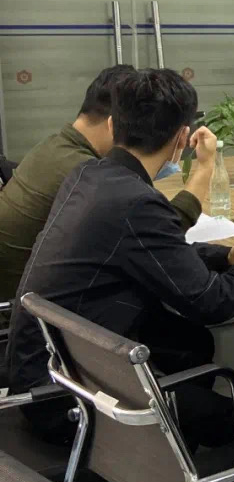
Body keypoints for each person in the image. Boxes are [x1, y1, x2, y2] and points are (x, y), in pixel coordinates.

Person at [6, 68, 234, 448]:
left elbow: (154, 250)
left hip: (44, 368)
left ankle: (176, 448)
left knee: (188, 342)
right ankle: (175, 466)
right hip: (72, 399)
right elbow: (212, 301)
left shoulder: (88, 175)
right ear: (181, 139)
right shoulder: (136, 201)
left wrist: (225, 256)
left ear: (113, 124)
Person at [0, 65, 216, 304]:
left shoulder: (55, 145)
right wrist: (204, 168)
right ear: (116, 122)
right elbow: (157, 237)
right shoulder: (84, 171)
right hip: (30, 306)